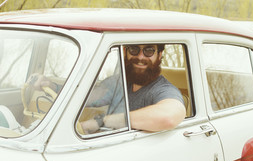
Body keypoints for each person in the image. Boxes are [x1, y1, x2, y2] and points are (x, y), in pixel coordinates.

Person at [34, 44, 186, 134]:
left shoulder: (163, 89)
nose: (140, 57)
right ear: (125, 52)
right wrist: (52, 86)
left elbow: (168, 116)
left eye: (149, 51)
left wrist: (102, 121)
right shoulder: (117, 82)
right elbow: (88, 96)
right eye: (134, 49)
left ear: (159, 55)